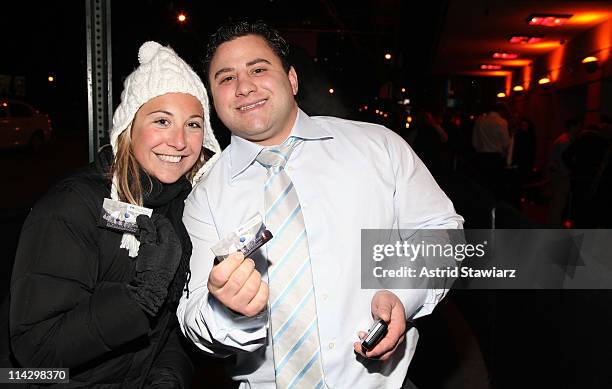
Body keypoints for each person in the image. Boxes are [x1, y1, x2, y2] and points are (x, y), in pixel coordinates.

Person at [177, 21, 463, 389]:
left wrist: (404, 294)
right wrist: (227, 311)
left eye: (259, 69)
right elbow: (193, 315)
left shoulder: (378, 148)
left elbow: (443, 233)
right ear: (214, 98)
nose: (244, 86)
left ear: (292, 79)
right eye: (225, 77)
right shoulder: (203, 198)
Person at [9, 41, 221, 387]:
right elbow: (36, 350)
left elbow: (170, 332)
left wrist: (167, 376)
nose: (180, 141)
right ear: (129, 128)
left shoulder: (184, 209)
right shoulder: (72, 205)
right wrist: (139, 298)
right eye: (162, 120)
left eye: (193, 124)